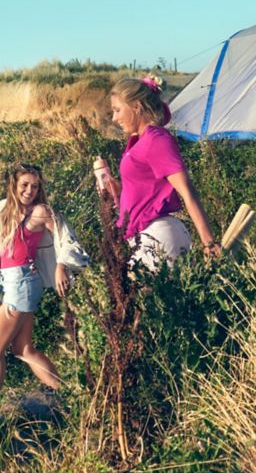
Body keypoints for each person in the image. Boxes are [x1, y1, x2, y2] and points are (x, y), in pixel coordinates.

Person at [103, 75, 221, 270]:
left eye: (117, 110)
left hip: (158, 235)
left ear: (136, 106)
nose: (114, 118)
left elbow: (187, 191)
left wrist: (208, 242)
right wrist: (120, 189)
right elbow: (148, 188)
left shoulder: (156, 140)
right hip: (144, 236)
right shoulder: (139, 140)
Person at [0, 163, 89, 390]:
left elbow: (63, 236)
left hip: (22, 284)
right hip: (12, 282)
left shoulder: (39, 212)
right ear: (14, 185)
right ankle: (71, 396)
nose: (29, 191)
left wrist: (60, 266)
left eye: (35, 186)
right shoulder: (4, 210)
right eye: (25, 185)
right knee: (23, 348)